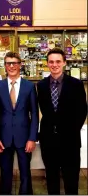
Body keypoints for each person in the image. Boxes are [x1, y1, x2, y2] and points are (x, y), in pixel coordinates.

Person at [37, 48, 87, 195]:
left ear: (64, 63)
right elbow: (45, 112)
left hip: (69, 140)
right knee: (52, 180)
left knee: (71, 180)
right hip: (48, 140)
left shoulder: (76, 84)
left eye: (58, 61)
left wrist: (70, 131)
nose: (54, 64)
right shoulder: (41, 85)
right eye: (51, 62)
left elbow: (82, 111)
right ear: (47, 64)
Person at [0, 51, 39, 195]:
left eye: (15, 63)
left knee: (25, 173)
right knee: (5, 174)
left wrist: (32, 138)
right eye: (8, 63)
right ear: (5, 66)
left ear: (20, 65)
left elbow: (35, 113)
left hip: (24, 138)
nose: (11, 66)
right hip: (4, 138)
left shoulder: (29, 86)